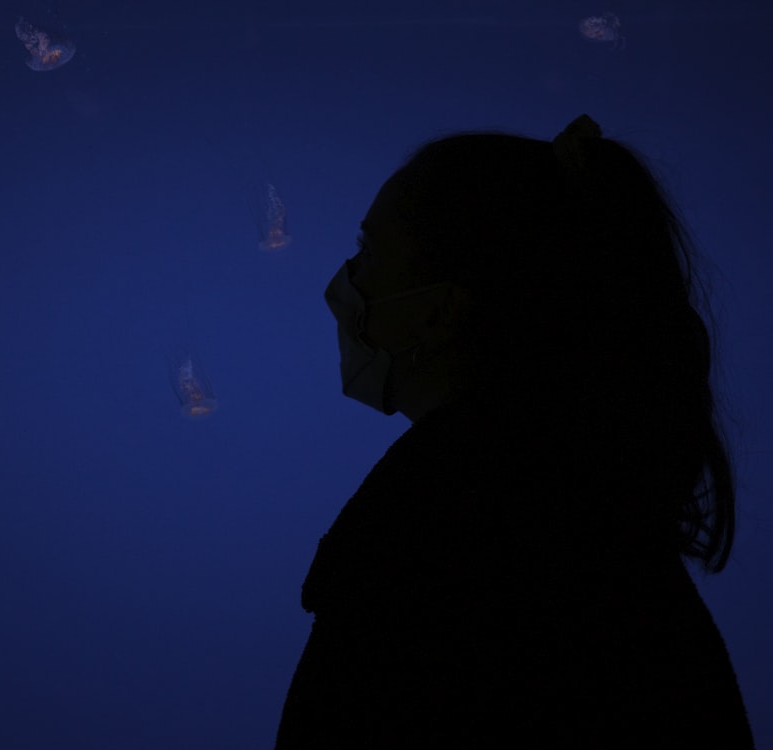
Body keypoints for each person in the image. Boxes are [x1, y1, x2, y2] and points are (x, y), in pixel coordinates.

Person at [275, 116, 755, 748]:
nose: (348, 281)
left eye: (369, 252)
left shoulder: (439, 529)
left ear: (443, 310)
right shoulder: (587, 503)